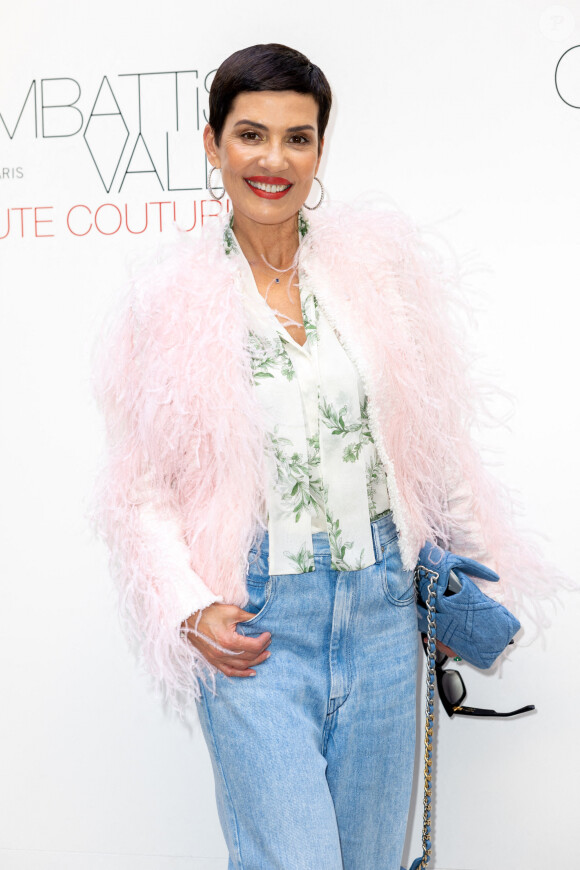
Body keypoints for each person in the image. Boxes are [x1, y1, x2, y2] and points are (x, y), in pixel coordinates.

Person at [93, 43, 551, 870]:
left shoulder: (374, 273)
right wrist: (188, 605)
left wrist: (455, 580)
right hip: (260, 626)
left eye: (298, 138)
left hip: (382, 613)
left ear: (320, 149)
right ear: (212, 144)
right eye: (251, 135)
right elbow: (139, 489)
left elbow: (425, 442)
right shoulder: (167, 302)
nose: (274, 160)